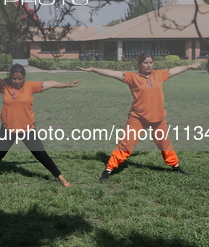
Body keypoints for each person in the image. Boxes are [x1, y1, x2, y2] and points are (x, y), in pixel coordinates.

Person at [78, 53, 201, 181]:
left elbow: (174, 70)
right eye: (145, 63)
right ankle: (109, 169)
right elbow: (113, 73)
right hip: (138, 118)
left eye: (150, 63)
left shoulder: (159, 75)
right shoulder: (132, 77)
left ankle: (175, 166)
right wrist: (92, 69)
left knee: (164, 144)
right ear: (139, 64)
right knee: (125, 144)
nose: (148, 65)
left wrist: (189, 66)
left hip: (158, 119)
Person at [0, 64, 81, 187]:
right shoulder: (4, 86)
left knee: (42, 155)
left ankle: (61, 179)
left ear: (24, 77)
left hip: (27, 129)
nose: (17, 81)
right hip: (8, 128)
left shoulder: (31, 86)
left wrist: (67, 84)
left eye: (20, 79)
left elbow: (50, 83)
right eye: (14, 78)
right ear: (10, 77)